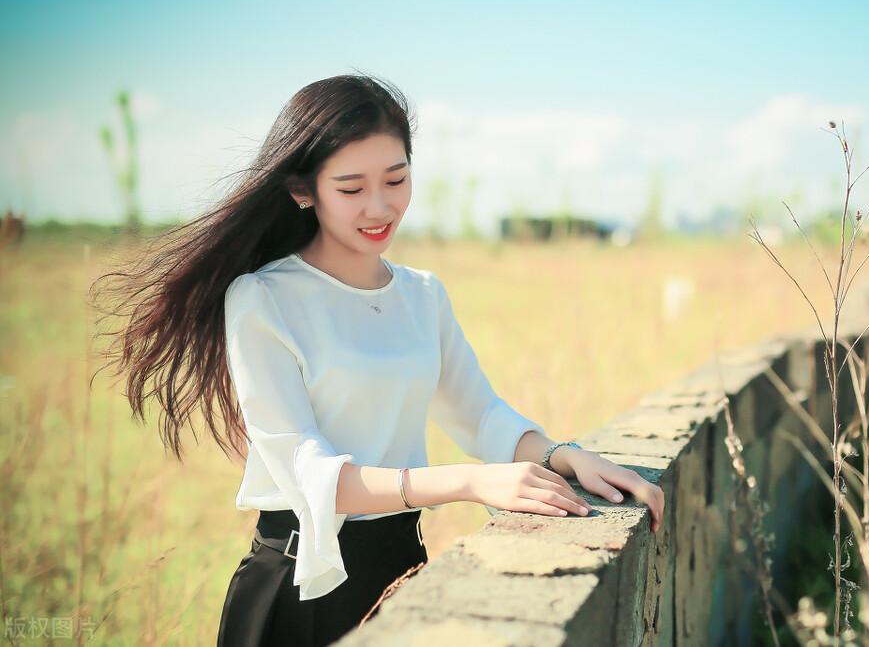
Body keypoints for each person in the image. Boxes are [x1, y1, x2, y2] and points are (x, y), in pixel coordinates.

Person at [88, 73, 664, 646]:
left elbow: (481, 416)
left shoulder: (422, 294)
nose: (380, 206)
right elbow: (314, 478)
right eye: (351, 187)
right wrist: (470, 482)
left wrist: (567, 456)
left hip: (404, 571)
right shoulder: (263, 299)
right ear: (301, 190)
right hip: (299, 587)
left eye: (396, 179)